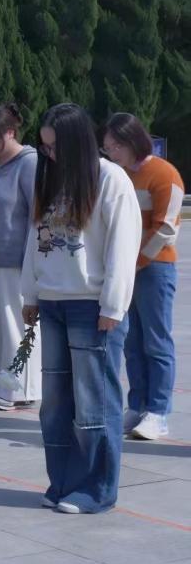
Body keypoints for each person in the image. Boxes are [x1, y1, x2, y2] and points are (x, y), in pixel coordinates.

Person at [23, 103, 140, 514]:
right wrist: (30, 294)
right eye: (44, 147)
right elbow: (34, 240)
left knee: (94, 402)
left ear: (76, 142)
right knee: (55, 402)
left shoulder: (110, 178)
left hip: (91, 306)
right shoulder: (50, 180)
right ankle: (63, 481)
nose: (49, 154)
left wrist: (113, 305)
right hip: (53, 302)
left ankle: (96, 489)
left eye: (54, 146)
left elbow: (123, 246)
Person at [102, 113, 182, 441]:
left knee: (156, 342)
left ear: (134, 141)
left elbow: (165, 228)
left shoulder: (165, 174)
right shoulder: (115, 175)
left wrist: (134, 263)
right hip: (125, 269)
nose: (111, 154)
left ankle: (158, 412)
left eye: (116, 147)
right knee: (131, 342)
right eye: (107, 148)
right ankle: (136, 406)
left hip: (154, 269)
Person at [0, 105, 41, 410]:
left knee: (16, 326)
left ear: (10, 133)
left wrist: (32, 263)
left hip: (17, 262)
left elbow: (36, 216)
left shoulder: (29, 163)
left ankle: (18, 390)